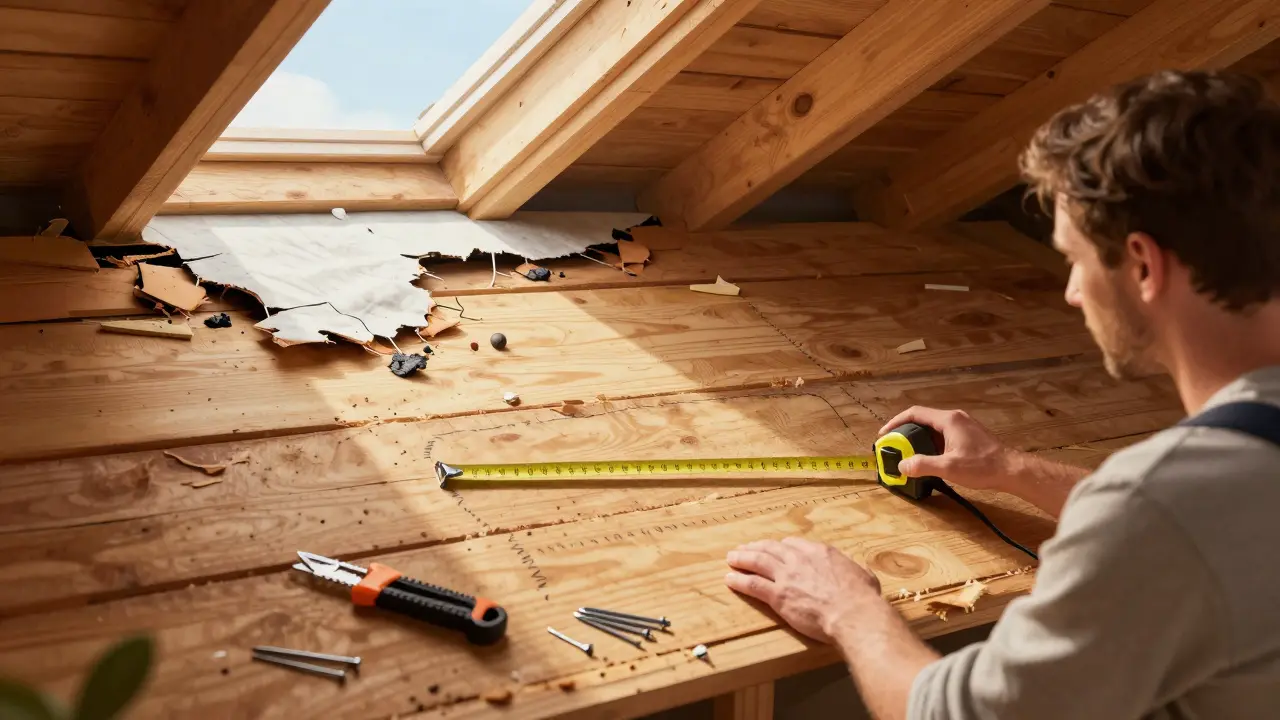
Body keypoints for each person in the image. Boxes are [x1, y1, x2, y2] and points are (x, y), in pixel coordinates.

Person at [724, 69, 1280, 719]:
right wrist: (1009, 471)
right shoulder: (1211, 491)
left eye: (1074, 258)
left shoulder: (1161, 506)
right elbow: (1199, 528)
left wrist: (849, 609)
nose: (1072, 291)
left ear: (1142, 264)